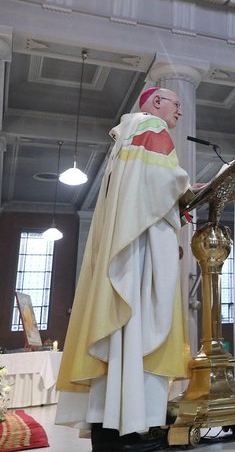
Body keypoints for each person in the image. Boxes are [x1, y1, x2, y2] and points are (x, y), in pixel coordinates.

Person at [55, 87, 195, 452]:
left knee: (122, 332)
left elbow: (142, 191)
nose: (180, 112)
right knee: (142, 322)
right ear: (156, 102)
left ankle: (112, 419)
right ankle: (135, 422)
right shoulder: (151, 126)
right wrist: (188, 191)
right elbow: (163, 181)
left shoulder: (125, 136)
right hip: (141, 247)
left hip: (126, 242)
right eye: (177, 104)